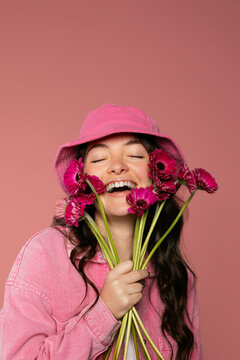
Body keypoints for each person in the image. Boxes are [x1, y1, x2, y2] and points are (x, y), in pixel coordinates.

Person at [0, 104, 204, 360]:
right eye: (99, 159)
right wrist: (105, 312)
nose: (117, 167)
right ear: (81, 178)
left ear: (157, 175)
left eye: (135, 155)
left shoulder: (175, 273)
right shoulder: (44, 255)